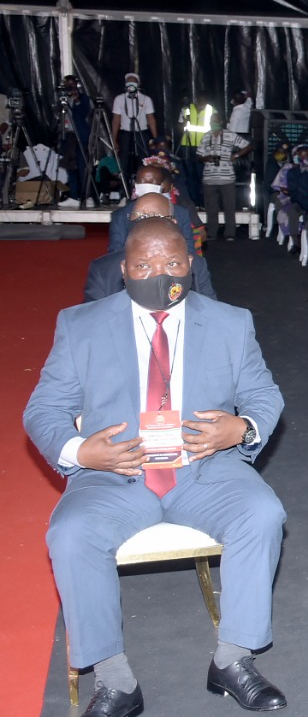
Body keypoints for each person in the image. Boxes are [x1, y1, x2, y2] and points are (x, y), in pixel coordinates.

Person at [24, 217, 287, 716]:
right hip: (114, 471)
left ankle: (233, 659)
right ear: (124, 270)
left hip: (203, 467)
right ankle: (114, 680)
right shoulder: (80, 325)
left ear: (189, 266)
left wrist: (243, 427)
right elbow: (44, 409)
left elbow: (263, 394)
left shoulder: (231, 322)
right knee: (71, 533)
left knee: (262, 513)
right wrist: (81, 452)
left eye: (170, 263)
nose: (158, 273)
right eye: (143, 265)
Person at [86, 194, 216, 302]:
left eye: (154, 215)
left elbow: (210, 313)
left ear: (173, 222)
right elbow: (93, 318)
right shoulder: (104, 269)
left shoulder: (197, 266)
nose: (144, 220)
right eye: (138, 215)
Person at [107, 164, 197, 256]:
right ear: (135, 184)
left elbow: (188, 249)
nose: (147, 184)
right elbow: (115, 253)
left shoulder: (180, 213)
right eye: (142, 181)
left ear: (162, 186)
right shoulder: (120, 216)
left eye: (152, 181)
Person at [197, 112, 252, 243]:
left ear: (221, 122)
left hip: (227, 178)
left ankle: (230, 233)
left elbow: (249, 146)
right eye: (211, 121)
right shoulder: (206, 136)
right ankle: (212, 233)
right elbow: (198, 156)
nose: (213, 124)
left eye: (215, 121)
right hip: (209, 178)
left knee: (229, 207)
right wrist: (206, 158)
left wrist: (236, 155)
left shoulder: (230, 135)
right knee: (211, 208)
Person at [110, 73, 158, 179]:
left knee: (144, 159)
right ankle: (124, 185)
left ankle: (144, 182)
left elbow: (151, 119)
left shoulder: (145, 99)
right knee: (124, 160)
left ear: (138, 84)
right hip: (125, 133)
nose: (131, 84)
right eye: (128, 82)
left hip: (141, 133)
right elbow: (116, 120)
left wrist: (155, 139)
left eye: (133, 82)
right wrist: (114, 139)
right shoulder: (119, 99)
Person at [56, 75, 93, 203]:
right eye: (67, 84)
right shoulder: (62, 99)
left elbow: (84, 113)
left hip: (80, 136)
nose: (70, 87)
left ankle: (87, 196)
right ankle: (73, 196)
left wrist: (76, 100)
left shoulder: (84, 98)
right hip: (68, 135)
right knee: (70, 166)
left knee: (82, 167)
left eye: (72, 84)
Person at [178, 95, 213, 207]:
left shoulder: (211, 110)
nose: (200, 102)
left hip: (203, 146)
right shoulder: (186, 109)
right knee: (189, 174)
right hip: (187, 145)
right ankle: (193, 201)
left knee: (201, 174)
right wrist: (184, 123)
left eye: (203, 101)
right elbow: (180, 125)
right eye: (199, 100)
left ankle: (203, 201)